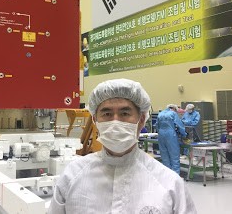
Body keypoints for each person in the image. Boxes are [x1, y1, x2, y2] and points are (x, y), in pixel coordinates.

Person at [48, 79, 196, 214]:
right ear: (95, 120)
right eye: (107, 114)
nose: (115, 121)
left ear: (141, 119)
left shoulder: (170, 184)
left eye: (125, 113)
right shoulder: (72, 176)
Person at [157, 104, 187, 174]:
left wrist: (160, 133)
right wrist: (184, 134)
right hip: (170, 135)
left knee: (165, 156)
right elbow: (179, 125)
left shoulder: (160, 114)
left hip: (161, 135)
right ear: (174, 109)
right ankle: (175, 176)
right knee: (174, 156)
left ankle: (167, 176)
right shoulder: (173, 114)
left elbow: (157, 126)